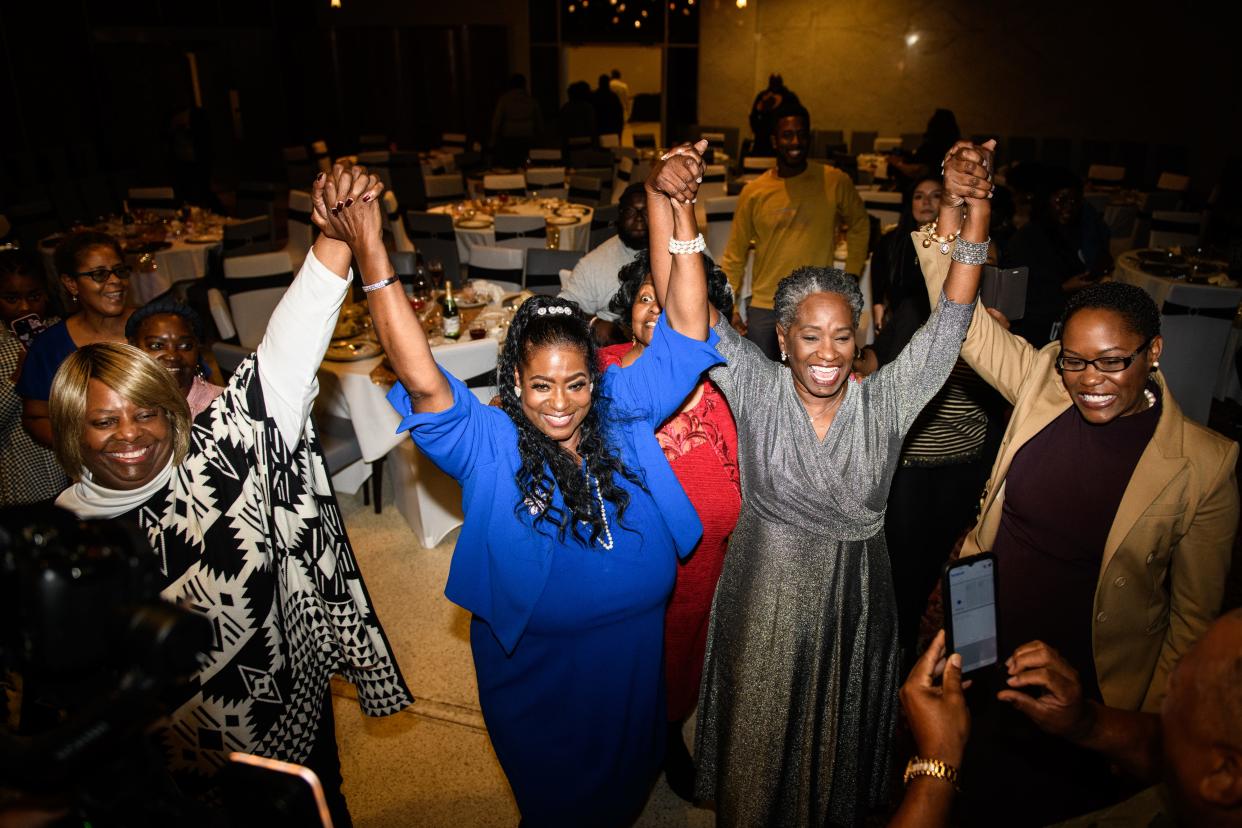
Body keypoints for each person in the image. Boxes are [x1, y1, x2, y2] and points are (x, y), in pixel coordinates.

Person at [334, 147, 721, 826]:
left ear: (595, 379)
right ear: (514, 383)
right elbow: (423, 378)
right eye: (541, 385)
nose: (561, 403)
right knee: (560, 805)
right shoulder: (489, 444)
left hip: (632, 672)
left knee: (627, 791)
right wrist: (372, 253)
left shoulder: (624, 406)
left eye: (575, 383)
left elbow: (688, 328)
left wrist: (681, 210)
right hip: (541, 684)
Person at [48, 167, 413, 826]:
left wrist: (332, 237)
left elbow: (284, 353)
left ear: (172, 413)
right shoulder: (65, 538)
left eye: (146, 414)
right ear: (76, 430)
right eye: (105, 421)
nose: (130, 436)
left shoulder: (215, 456)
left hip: (289, 719)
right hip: (170, 772)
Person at [650, 139, 994, 826]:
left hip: (854, 601)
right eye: (810, 337)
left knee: (830, 749)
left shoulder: (888, 399)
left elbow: (952, 318)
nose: (828, 354)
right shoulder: (753, 385)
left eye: (842, 336)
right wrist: (673, 204)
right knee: (757, 742)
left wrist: (976, 205)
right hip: (762, 596)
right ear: (782, 340)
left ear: (860, 332)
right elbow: (679, 301)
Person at [917, 175, 1239, 825]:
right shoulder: (1043, 381)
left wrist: (1143, 730)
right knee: (965, 778)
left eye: (1112, 362)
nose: (1088, 381)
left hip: (1088, 679)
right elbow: (960, 322)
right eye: (1075, 361)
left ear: (1154, 353)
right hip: (984, 634)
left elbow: (1192, 618)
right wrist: (955, 216)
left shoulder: (1205, 464)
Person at [600, 249, 740, 802]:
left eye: (674, 300)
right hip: (625, 573)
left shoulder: (727, 386)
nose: (657, 310)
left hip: (705, 570)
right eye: (644, 298)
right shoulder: (598, 376)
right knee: (622, 670)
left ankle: (667, 734)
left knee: (682, 659)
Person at [893, 612, 1242, 828]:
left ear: (1225, 777)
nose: (1161, 700)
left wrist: (937, 762)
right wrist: (1088, 723)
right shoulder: (1204, 773)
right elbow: (1163, 743)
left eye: (1175, 695)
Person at [859, 175, 999, 668]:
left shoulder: (994, 328)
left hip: (964, 458)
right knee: (902, 563)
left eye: (979, 258)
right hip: (914, 460)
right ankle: (889, 654)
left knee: (938, 560)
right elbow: (882, 364)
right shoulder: (919, 309)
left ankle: (907, 643)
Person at [720, 101, 870, 359]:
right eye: (787, 135)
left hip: (817, 302)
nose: (795, 141)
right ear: (775, 141)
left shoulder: (834, 181)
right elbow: (735, 254)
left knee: (816, 381)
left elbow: (860, 224)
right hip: (767, 306)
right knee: (761, 384)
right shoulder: (754, 192)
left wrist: (852, 275)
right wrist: (728, 304)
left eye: (801, 134)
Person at [18, 231, 133, 448]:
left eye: (120, 271)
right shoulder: (51, 346)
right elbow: (35, 417)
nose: (116, 281)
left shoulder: (151, 327)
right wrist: (84, 449)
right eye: (99, 274)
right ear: (71, 283)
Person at [1002, 166, 1112, 346]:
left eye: (1075, 201)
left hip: (1065, 323)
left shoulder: (1076, 231)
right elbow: (1015, 297)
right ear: (1046, 200)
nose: (1068, 207)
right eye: (1062, 200)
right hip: (1032, 335)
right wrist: (1062, 289)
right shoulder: (1026, 239)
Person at [0, 260, 67, 504]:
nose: (24, 307)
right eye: (11, 298)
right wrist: (19, 376)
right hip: (22, 472)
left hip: (68, 462)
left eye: (34, 296)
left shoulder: (60, 331)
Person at [559, 182, 648, 344]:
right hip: (617, 353)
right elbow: (562, 310)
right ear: (619, 217)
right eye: (630, 211)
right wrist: (597, 324)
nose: (639, 218)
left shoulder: (683, 252)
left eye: (646, 211)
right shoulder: (594, 264)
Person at [125, 297, 224, 418]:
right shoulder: (119, 404)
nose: (173, 356)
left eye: (185, 346)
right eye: (157, 345)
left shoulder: (224, 406)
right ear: (133, 348)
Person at [490, 73, 544, 168]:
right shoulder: (531, 100)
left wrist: (493, 138)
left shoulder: (504, 100)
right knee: (525, 163)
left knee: (510, 163)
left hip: (509, 136)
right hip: (527, 136)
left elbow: (497, 120)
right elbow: (539, 121)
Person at [746, 73, 800, 158]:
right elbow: (754, 118)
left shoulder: (789, 98)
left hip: (780, 145)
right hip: (763, 144)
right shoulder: (763, 97)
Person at [557, 80, 597, 151]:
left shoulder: (566, 108)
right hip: (585, 144)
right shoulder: (587, 108)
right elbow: (591, 126)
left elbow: (561, 127)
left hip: (568, 144)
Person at [592, 74, 624, 139]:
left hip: (599, 127)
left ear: (599, 83)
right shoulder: (613, 96)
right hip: (612, 127)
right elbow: (619, 112)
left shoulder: (594, 96)